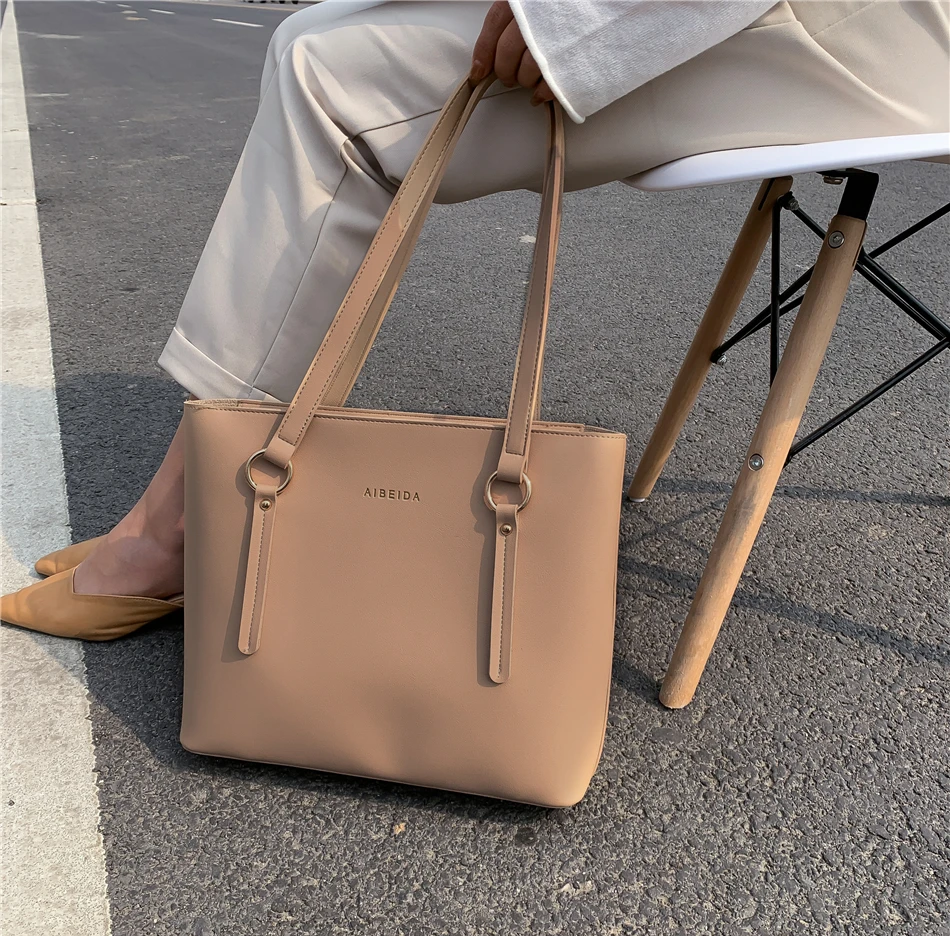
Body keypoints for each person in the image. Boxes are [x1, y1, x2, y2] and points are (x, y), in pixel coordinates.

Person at [3, 0, 947, 638]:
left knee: (331, 82)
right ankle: (211, 491)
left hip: (844, 32)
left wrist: (574, 16)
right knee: (302, 35)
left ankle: (179, 527)